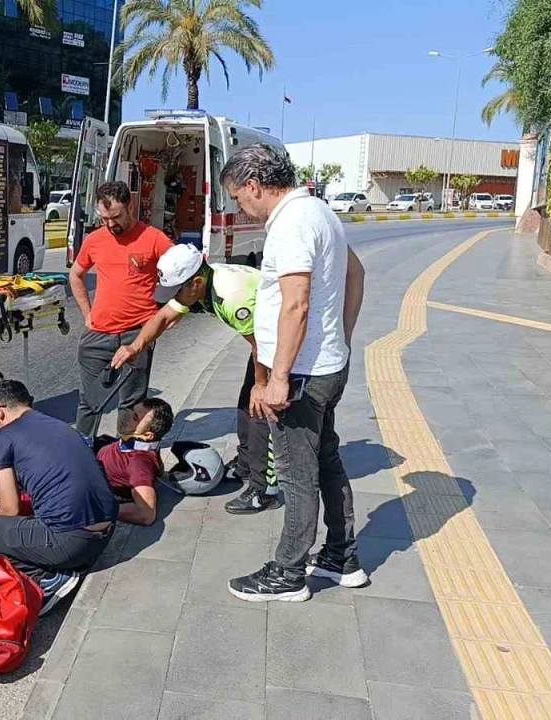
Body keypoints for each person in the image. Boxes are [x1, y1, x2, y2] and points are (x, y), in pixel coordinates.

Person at [217, 144, 368, 603]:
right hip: (326, 365)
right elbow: (356, 274)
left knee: (297, 475)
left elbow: (297, 303)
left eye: (239, 200)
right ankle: (342, 558)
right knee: (326, 461)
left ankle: (288, 572)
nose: (241, 209)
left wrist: (277, 377)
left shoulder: (290, 223)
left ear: (254, 186)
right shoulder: (320, 212)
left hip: (302, 376)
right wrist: (340, 336)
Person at [111, 243, 290, 515]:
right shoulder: (202, 284)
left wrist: (262, 385)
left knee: (260, 411)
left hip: (282, 343)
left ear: (195, 282)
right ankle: (245, 464)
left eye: (177, 292)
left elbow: (261, 344)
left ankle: (265, 489)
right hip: (266, 341)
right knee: (245, 406)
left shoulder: (232, 297)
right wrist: (136, 347)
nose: (174, 299)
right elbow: (161, 318)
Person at [0, 380, 118, 615]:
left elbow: (10, 510)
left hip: (69, 543)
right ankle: (60, 565)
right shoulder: (62, 427)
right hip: (105, 534)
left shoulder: (3, 438)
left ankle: (46, 578)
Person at [68, 180, 175, 437]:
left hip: (136, 335)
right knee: (89, 403)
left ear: (130, 206)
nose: (110, 224)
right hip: (98, 334)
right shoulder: (95, 240)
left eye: (115, 216)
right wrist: (87, 315)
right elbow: (76, 275)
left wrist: (167, 315)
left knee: (131, 405)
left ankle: (124, 458)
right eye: (104, 218)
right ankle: (83, 457)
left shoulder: (153, 238)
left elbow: (180, 276)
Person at [96, 397, 174, 526]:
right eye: (132, 411)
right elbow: (158, 469)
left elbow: (146, 515)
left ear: (148, 435)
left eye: (135, 418)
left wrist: (99, 510)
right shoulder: (145, 443)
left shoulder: (138, 463)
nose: (127, 416)